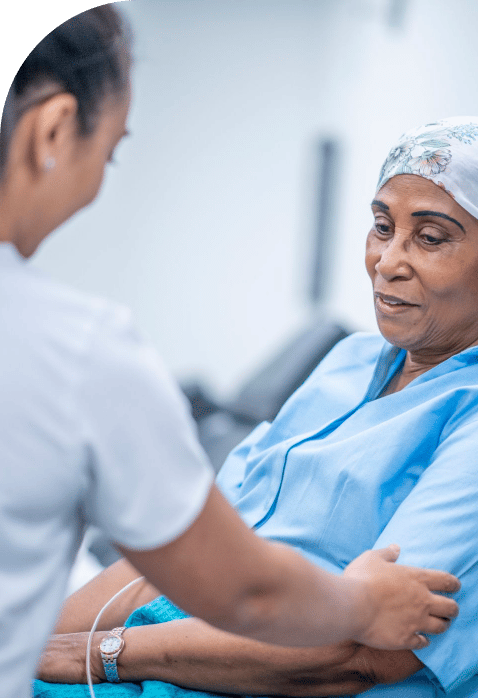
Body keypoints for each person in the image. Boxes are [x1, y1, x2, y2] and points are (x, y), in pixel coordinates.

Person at [1, 5, 459, 698]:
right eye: (380, 226)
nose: (387, 262)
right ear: (53, 132)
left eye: (430, 237)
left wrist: (83, 651)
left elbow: (365, 655)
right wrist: (50, 650)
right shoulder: (342, 367)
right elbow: (206, 553)